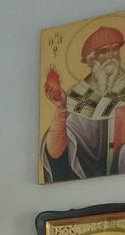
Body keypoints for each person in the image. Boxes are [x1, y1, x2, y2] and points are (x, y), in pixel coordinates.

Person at [42, 25, 125, 182]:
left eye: (115, 49)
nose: (112, 56)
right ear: (91, 59)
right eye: (104, 51)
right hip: (87, 172)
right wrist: (61, 108)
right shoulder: (75, 94)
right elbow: (59, 151)